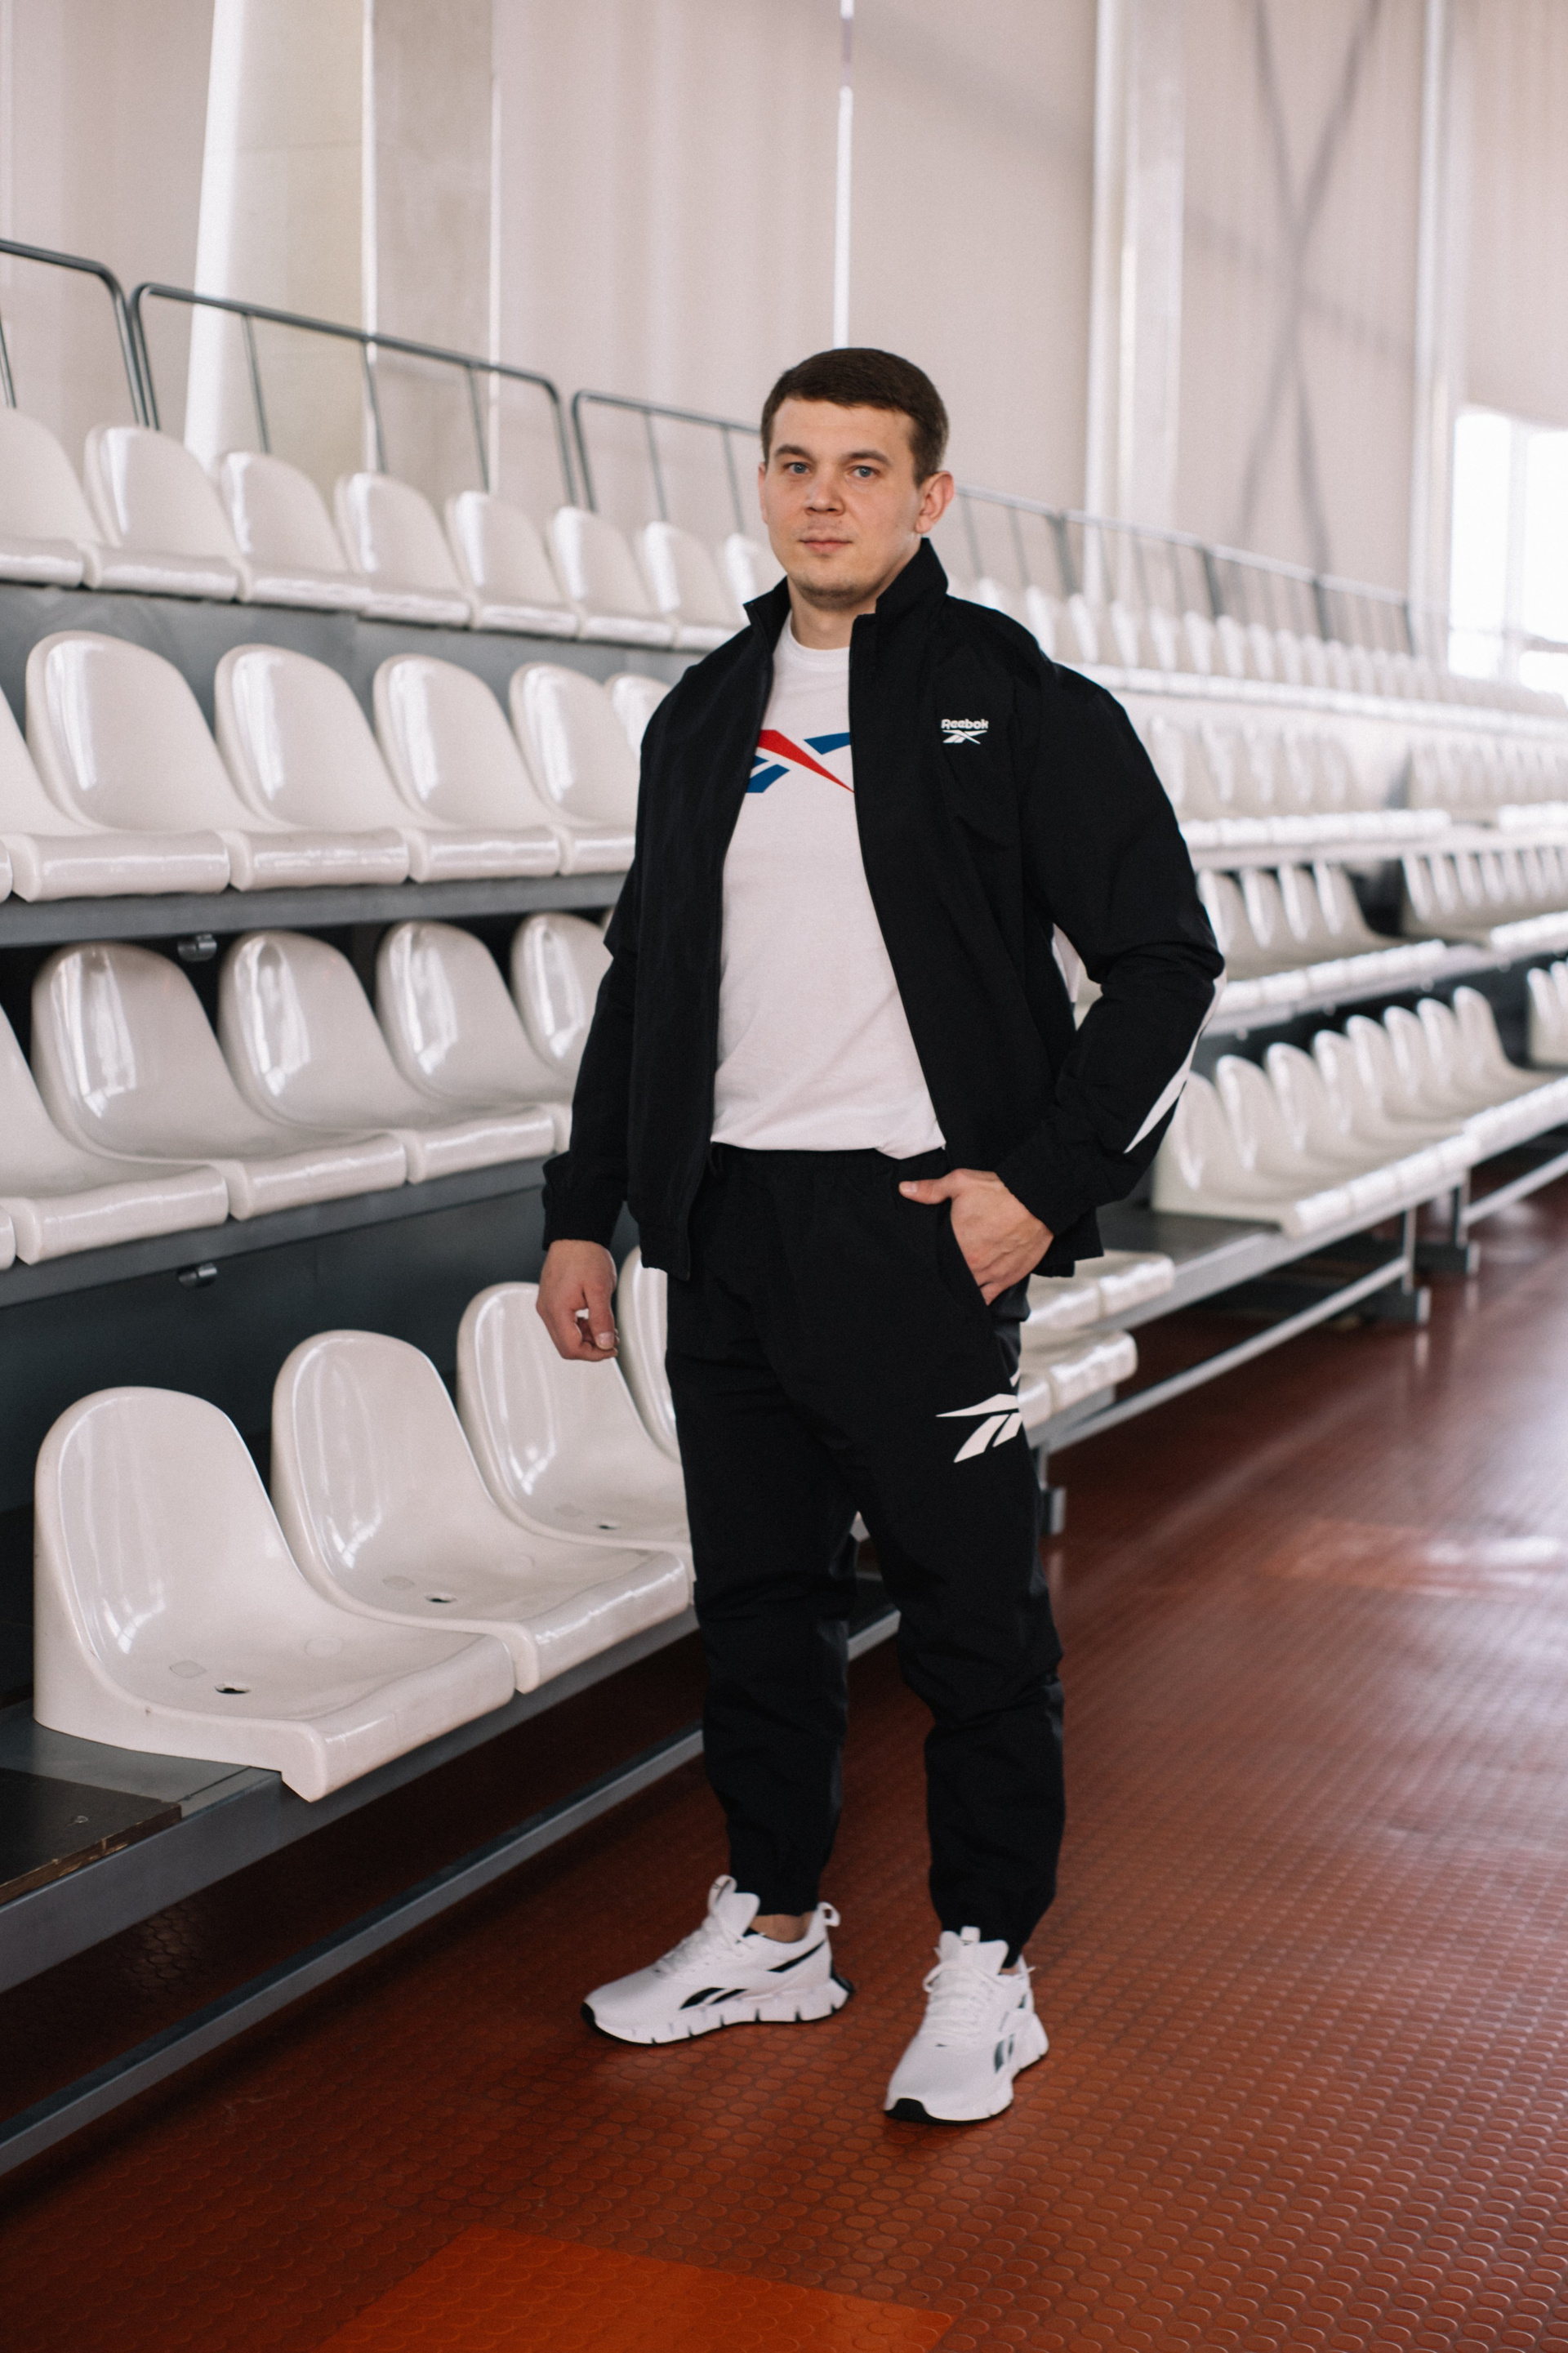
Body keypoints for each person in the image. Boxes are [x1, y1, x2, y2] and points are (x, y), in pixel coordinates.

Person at [537, 346, 1222, 2124]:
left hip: (915, 1227)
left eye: (862, 467)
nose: (823, 496)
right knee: (758, 1607)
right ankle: (774, 1927)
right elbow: (643, 985)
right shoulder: (703, 712)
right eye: (795, 463)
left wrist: (1039, 1185)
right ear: (763, 482)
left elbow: (1167, 961)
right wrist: (585, 1211)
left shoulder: (1019, 700)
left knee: (971, 1626)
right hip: (726, 1225)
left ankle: (988, 1963)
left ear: (930, 496)